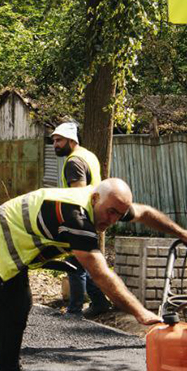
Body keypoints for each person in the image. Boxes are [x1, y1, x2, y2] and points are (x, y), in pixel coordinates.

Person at [0, 178, 187, 371]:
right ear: (94, 198)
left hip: (13, 243)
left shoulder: (109, 203)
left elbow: (144, 212)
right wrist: (139, 312)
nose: (112, 221)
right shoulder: (75, 216)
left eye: (119, 215)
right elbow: (100, 274)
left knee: (21, 305)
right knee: (8, 311)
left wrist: (180, 232)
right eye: (110, 212)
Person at [51, 122, 112, 317]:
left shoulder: (74, 162)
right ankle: (100, 302)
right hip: (90, 215)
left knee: (74, 264)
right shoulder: (89, 155)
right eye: (53, 141)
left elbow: (78, 193)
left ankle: (75, 310)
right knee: (85, 262)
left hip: (79, 218)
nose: (55, 145)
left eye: (59, 140)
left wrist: (68, 221)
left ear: (71, 140)